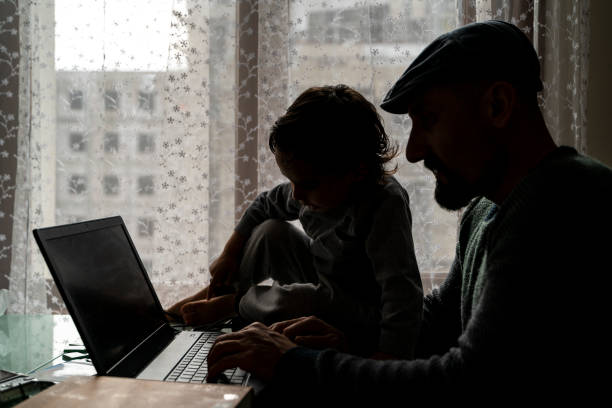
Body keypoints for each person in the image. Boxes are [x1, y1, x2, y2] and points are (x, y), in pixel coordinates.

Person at [205, 20, 612, 405]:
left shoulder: (563, 200)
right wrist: (346, 343)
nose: (414, 151)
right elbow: (435, 324)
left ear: (498, 105)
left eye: (428, 120)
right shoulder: (487, 209)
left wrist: (292, 362)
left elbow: (462, 381)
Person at [168, 84, 424, 359]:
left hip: (360, 313)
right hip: (325, 286)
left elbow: (402, 293)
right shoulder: (311, 193)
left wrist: (387, 359)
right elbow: (264, 205)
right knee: (270, 232)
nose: (295, 194)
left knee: (303, 297)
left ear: (357, 170)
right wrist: (229, 255)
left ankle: (233, 304)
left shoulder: (383, 204)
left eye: (307, 184)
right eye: (291, 181)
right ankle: (206, 298)